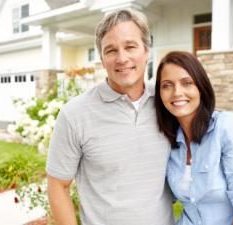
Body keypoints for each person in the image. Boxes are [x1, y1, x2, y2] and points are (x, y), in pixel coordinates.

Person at [46, 9, 174, 225]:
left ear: (147, 50)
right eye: (111, 50)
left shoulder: (167, 102)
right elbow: (58, 185)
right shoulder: (75, 114)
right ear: (103, 59)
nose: (122, 58)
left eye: (130, 46)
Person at [155, 51, 233, 225]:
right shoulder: (170, 142)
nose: (177, 92)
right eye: (167, 85)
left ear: (201, 86)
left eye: (187, 83)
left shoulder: (229, 127)